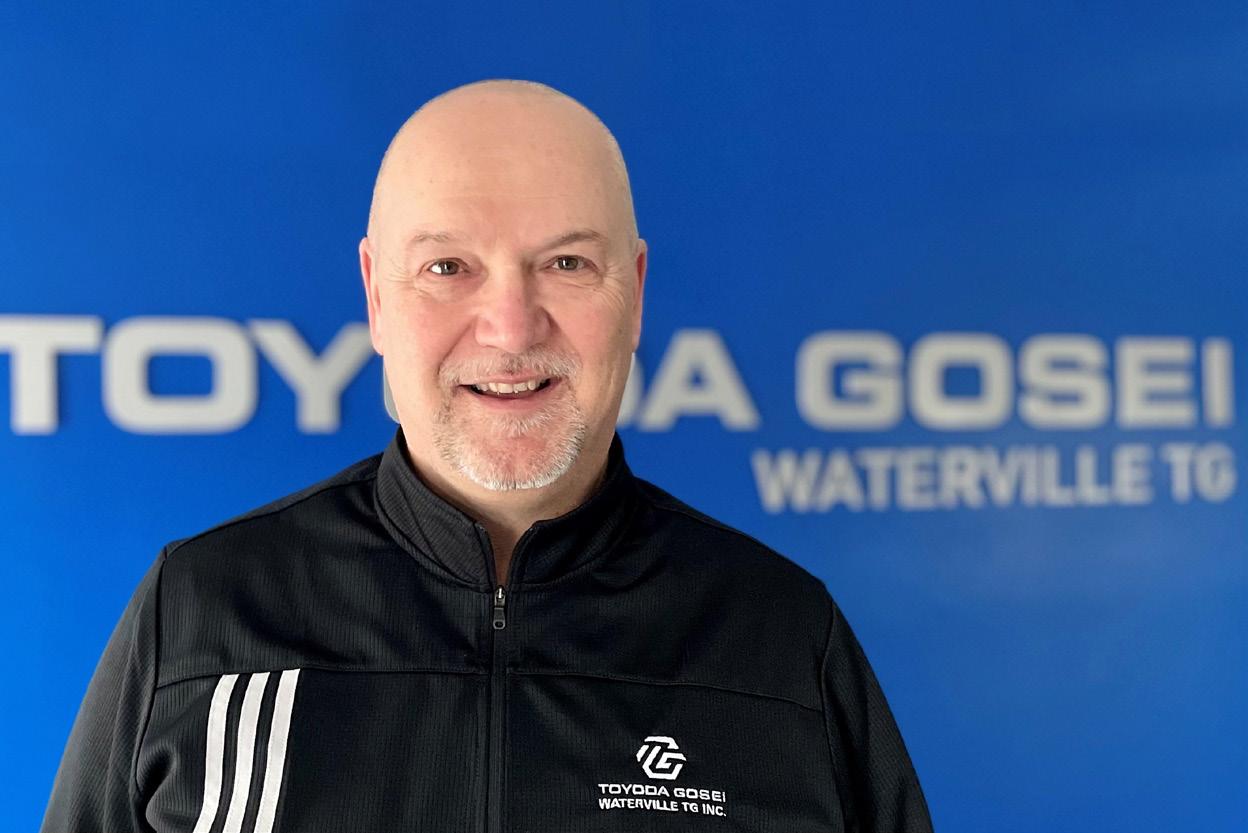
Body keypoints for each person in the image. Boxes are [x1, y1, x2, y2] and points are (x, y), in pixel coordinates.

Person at [41, 78, 933, 833]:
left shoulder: (782, 638)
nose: (511, 327)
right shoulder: (204, 613)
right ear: (376, 296)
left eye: (567, 264)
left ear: (635, 292)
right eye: (448, 268)